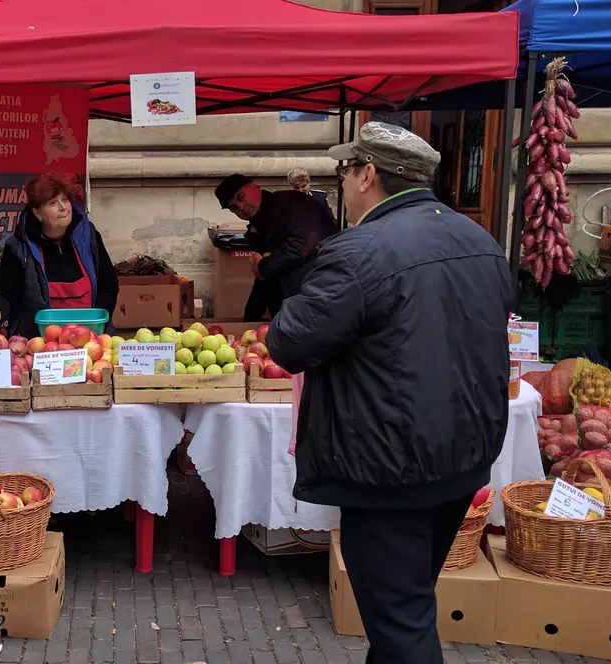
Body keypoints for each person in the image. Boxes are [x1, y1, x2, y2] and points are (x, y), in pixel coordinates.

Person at [265, 122, 511, 663]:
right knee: (406, 604)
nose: (344, 186)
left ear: (367, 174)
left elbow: (288, 343)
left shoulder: (359, 250)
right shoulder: (480, 240)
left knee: (401, 623)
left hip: (391, 466)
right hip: (461, 455)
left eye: (345, 172)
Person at [0, 172, 118, 338]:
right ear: (38, 213)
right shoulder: (18, 246)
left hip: (90, 340)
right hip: (38, 343)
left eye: (65, 200)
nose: (63, 207)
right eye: (53, 203)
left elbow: (108, 285)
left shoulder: (89, 237)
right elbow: (4, 291)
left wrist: (96, 326)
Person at [214, 174, 337, 321]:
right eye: (233, 207)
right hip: (294, 308)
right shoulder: (258, 225)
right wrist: (249, 320)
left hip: (317, 299)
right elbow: (264, 279)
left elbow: (303, 244)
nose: (241, 207)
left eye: (241, 198)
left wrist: (264, 267)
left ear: (254, 187)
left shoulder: (293, 202)